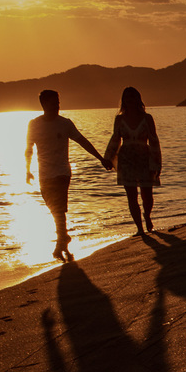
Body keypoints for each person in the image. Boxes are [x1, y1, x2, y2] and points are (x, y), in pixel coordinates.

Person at [25, 89, 109, 261]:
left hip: (62, 173)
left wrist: (100, 158)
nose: (56, 106)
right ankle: (63, 237)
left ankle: (60, 243)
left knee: (58, 208)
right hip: (44, 175)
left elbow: (82, 140)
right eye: (53, 102)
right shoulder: (34, 124)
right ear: (43, 104)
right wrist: (27, 170)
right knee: (54, 208)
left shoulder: (65, 123)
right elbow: (29, 148)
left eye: (58, 102)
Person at [104, 87, 162, 235]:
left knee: (147, 194)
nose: (130, 100)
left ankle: (147, 216)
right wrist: (108, 158)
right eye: (127, 97)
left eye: (132, 97)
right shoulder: (119, 119)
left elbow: (154, 140)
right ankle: (139, 228)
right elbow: (115, 139)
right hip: (126, 159)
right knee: (131, 195)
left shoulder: (147, 118)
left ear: (138, 99)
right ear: (124, 100)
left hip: (144, 157)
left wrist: (157, 161)